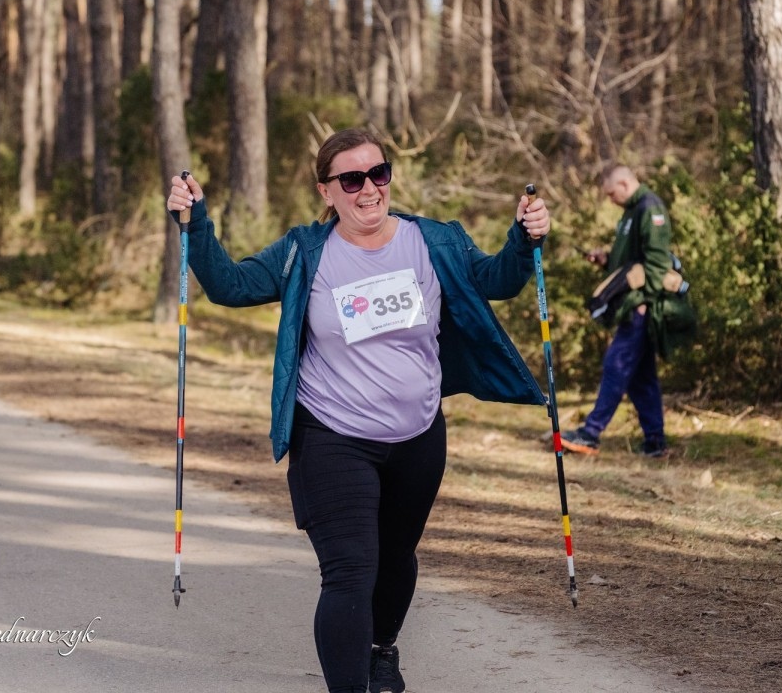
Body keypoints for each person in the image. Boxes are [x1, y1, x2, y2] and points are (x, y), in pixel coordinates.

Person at [166, 128, 549, 693]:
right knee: (349, 571)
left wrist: (524, 237)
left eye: (379, 173)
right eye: (351, 179)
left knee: (396, 557)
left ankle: (381, 651)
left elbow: (497, 279)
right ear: (327, 192)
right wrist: (196, 224)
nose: (368, 188)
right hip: (332, 434)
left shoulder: (434, 240)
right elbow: (230, 285)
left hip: (419, 435)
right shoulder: (306, 251)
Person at [561, 165, 671, 459]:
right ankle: (655, 442)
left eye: (611, 193)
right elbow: (629, 260)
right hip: (628, 303)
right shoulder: (630, 213)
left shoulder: (650, 209)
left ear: (624, 183)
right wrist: (605, 258)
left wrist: (645, 300)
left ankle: (590, 434)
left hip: (639, 305)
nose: (610, 199)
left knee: (616, 365)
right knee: (641, 377)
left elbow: (658, 263)